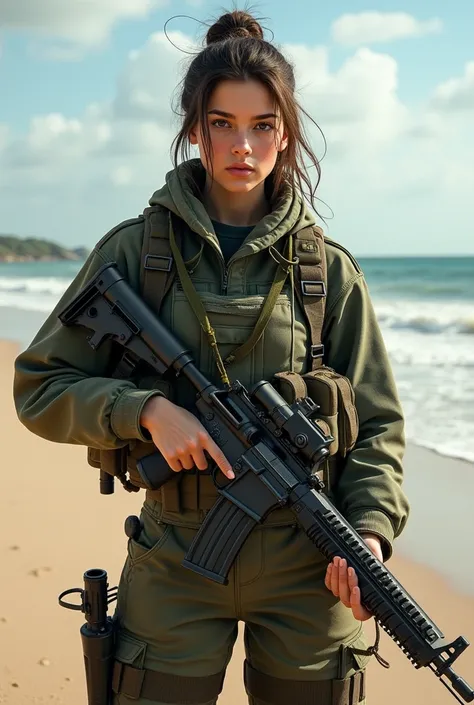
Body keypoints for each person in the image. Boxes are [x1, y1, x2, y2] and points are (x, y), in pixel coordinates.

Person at [13, 9, 410, 705]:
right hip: (176, 558)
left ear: (284, 133)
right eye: (223, 123)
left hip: (311, 568)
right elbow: (40, 386)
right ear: (194, 128)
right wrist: (143, 411)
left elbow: (377, 424)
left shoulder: (326, 272)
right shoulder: (137, 253)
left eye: (262, 125)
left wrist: (371, 531)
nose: (243, 145)